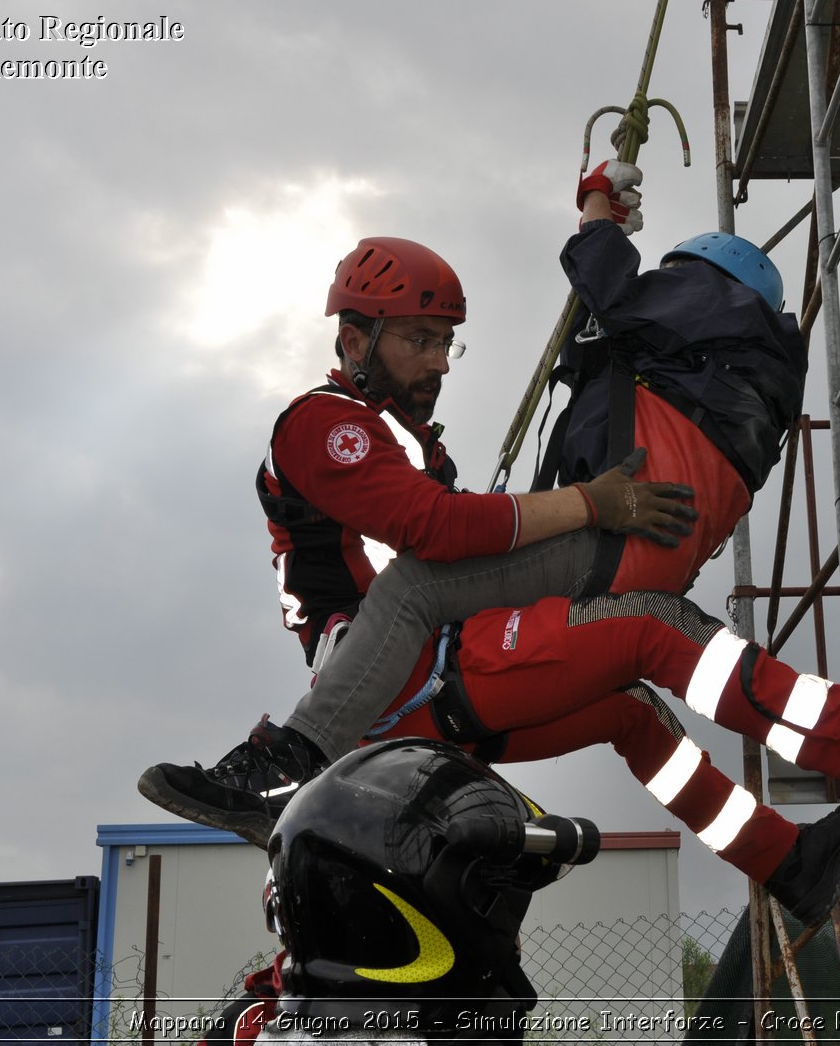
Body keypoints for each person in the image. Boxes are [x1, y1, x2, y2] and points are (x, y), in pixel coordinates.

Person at [141, 161, 804, 802]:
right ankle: (287, 762)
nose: (439, 362)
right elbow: (443, 529)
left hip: (439, 641)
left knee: (632, 709)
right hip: (383, 659)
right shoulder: (327, 423)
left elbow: (600, 353)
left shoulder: (413, 442)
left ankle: (780, 852)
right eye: (419, 340)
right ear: (352, 341)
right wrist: (588, 504)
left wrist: (603, 232)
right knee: (469, 600)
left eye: (444, 343)